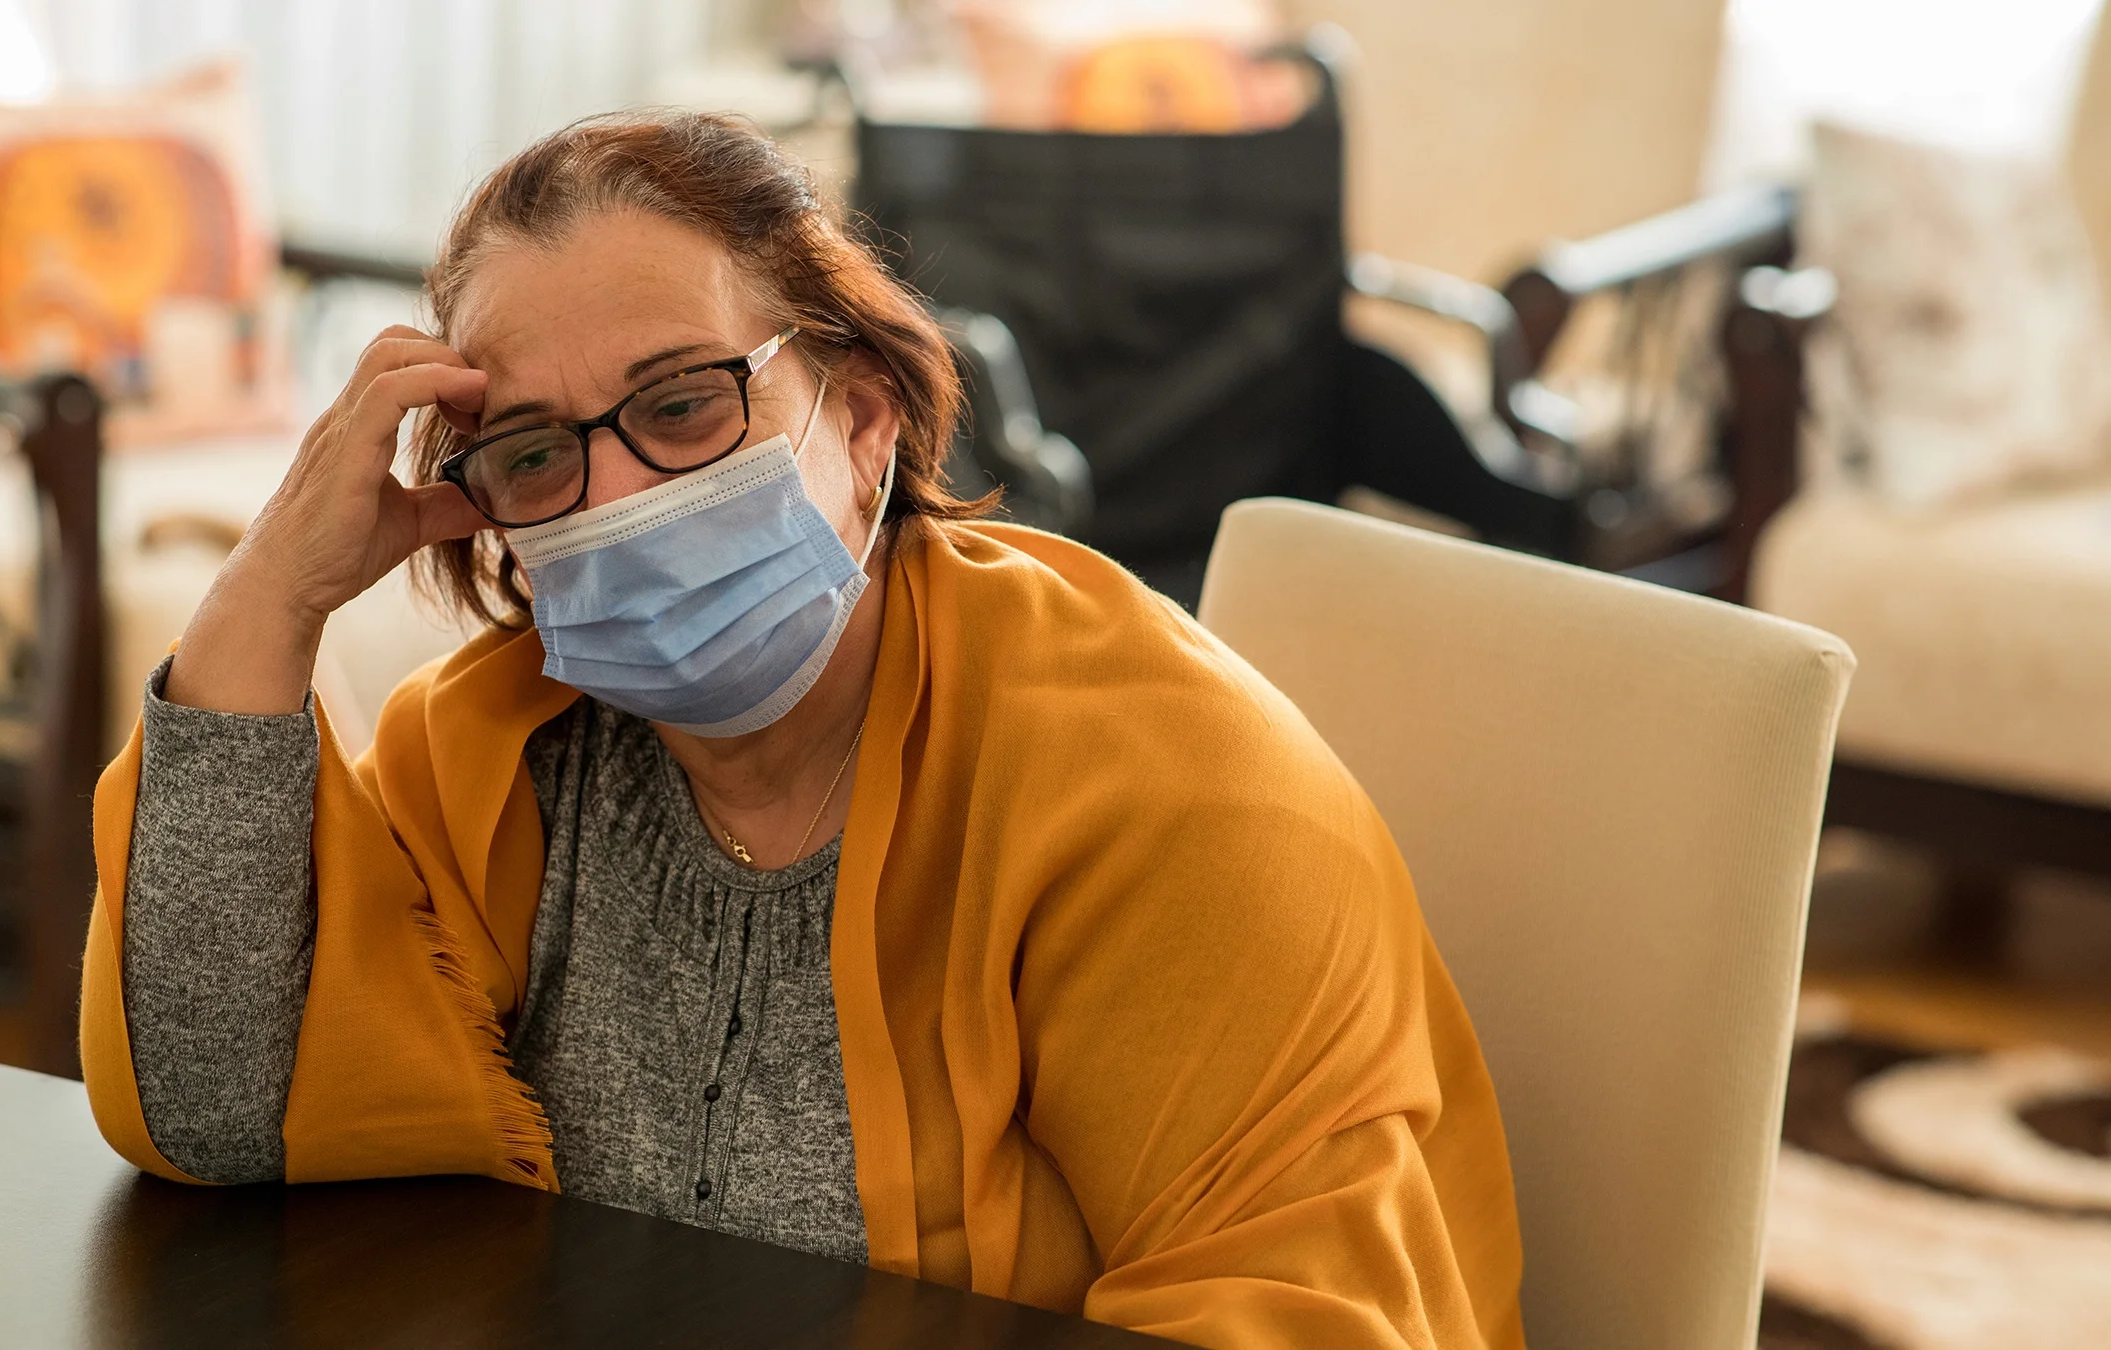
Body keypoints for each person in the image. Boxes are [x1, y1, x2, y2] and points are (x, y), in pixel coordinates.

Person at [80, 110, 1523, 1348]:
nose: (616, 495)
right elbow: (218, 1108)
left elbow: (1296, 1307)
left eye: (687, 404)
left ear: (867, 417)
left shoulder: (1154, 784)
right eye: (533, 452)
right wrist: (271, 594)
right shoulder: (493, 758)